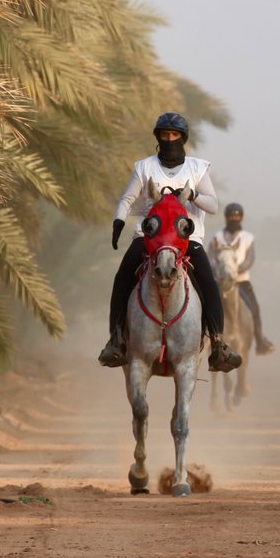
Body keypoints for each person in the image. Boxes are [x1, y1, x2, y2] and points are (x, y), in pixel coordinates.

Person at [97, 112, 242, 373]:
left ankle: (219, 343)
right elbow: (127, 200)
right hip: (149, 237)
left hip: (187, 239)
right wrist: (119, 221)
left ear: (182, 138)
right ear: (158, 137)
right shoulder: (144, 167)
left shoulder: (198, 168)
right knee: (122, 277)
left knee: (209, 281)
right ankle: (116, 339)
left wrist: (193, 195)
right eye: (164, 135)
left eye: (174, 135)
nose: (169, 139)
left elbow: (213, 204)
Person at [209, 203, 276, 355]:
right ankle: (206, 339)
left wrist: (234, 270)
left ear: (242, 218)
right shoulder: (216, 237)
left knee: (254, 309)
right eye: (231, 216)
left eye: (237, 216)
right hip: (221, 282)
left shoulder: (248, 238)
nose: (234, 219)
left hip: (241, 281)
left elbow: (249, 259)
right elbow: (211, 258)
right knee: (211, 308)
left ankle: (260, 340)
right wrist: (220, 271)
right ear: (226, 218)